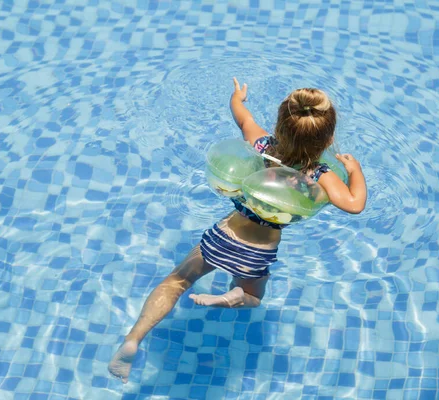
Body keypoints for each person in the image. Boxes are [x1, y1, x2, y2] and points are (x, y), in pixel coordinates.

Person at [108, 78, 367, 383]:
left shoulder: (263, 146)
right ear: (327, 139)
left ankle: (134, 338)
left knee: (177, 281)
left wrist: (238, 98)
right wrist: (354, 170)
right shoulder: (319, 174)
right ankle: (232, 297)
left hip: (225, 233)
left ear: (280, 123)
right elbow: (353, 204)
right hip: (259, 250)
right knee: (252, 297)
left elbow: (242, 117)